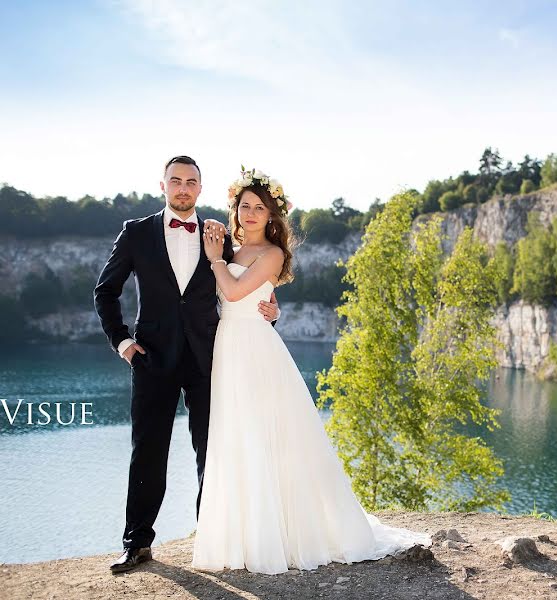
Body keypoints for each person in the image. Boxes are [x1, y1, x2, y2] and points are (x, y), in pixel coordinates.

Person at [191, 168, 431, 574]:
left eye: (259, 208)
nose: (250, 213)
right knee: (237, 435)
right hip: (228, 349)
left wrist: (217, 262)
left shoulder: (272, 254)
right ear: (235, 209)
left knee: (269, 437)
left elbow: (232, 292)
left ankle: (281, 537)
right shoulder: (227, 247)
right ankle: (244, 538)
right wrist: (234, 273)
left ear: (271, 216)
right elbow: (225, 299)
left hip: (256, 351)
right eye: (244, 205)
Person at [94, 156, 281, 574]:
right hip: (152, 359)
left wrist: (272, 309)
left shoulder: (219, 234)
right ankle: (137, 543)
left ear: (200, 188)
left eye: (190, 182)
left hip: (210, 358)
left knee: (212, 452)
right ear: (162, 186)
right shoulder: (136, 234)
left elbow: (248, 278)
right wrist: (123, 342)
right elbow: (105, 292)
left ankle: (213, 541)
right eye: (175, 181)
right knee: (147, 452)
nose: (183, 188)